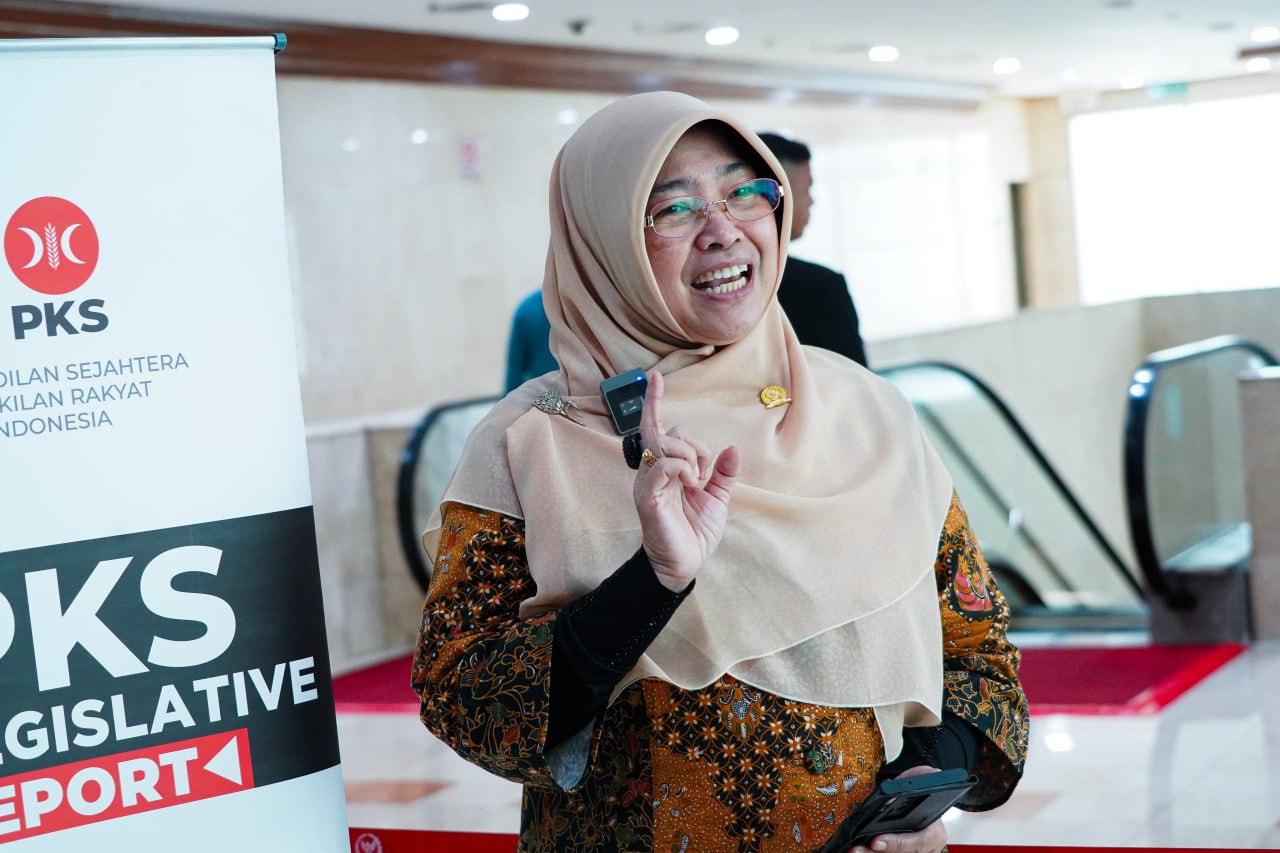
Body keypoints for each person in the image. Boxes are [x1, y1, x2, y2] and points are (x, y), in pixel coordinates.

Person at [412, 92, 1026, 853]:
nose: (723, 228)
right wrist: (654, 580)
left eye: (745, 191)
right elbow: (464, 698)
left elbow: (979, 657)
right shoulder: (531, 441)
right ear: (601, 240)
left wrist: (925, 790)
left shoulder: (869, 412)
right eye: (673, 208)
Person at [757, 132, 868, 367]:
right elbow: (855, 379)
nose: (811, 201)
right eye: (807, 189)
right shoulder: (820, 287)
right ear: (776, 196)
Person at [504, 289, 558, 392]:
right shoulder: (528, 310)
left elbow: (513, 379)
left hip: (545, 395)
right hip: (556, 395)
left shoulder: (527, 309)